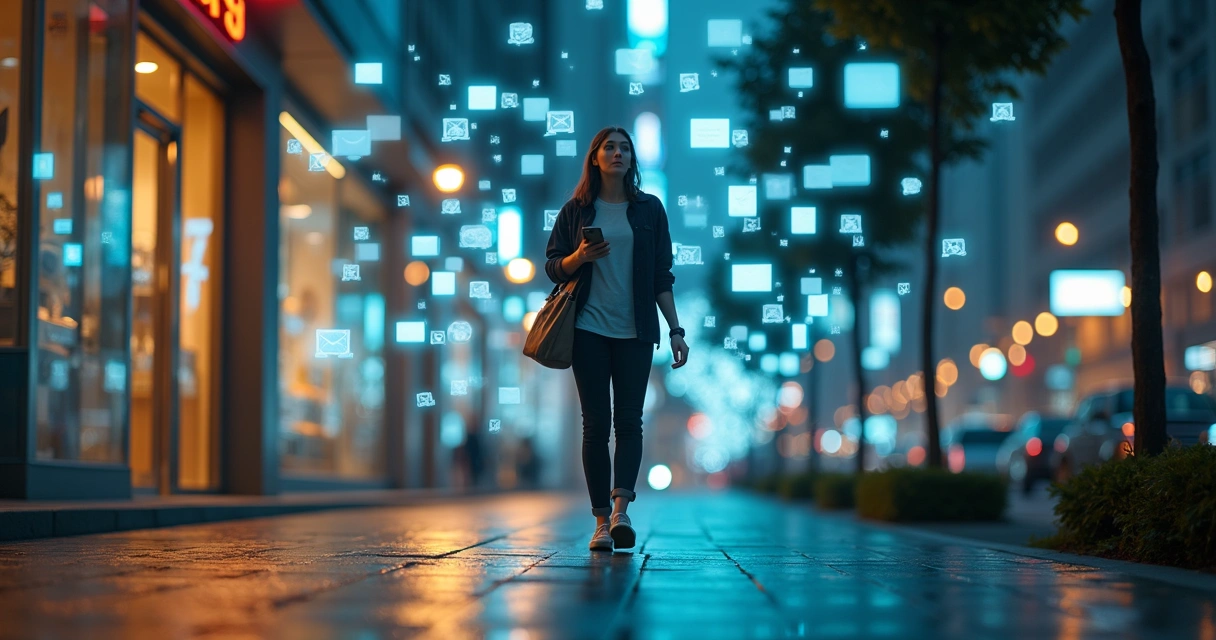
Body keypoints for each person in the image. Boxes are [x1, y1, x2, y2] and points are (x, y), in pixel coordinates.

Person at [544, 126, 689, 552]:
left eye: (625, 148)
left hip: (636, 332)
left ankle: (622, 510)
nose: (618, 153)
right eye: (610, 147)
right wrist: (579, 257)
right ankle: (600, 523)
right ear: (595, 157)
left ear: (632, 159)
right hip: (587, 328)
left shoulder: (649, 210)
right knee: (595, 425)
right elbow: (553, 266)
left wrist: (676, 330)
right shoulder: (576, 210)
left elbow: (663, 276)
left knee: (629, 422)